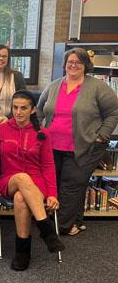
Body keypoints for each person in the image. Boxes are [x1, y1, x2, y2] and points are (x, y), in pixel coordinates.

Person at [37, 47, 118, 236]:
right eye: (70, 62)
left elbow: (113, 112)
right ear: (64, 64)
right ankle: (77, 220)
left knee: (71, 184)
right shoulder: (54, 85)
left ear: (85, 66)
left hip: (85, 145)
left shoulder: (97, 87)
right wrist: (42, 129)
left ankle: (62, 227)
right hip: (52, 146)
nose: (73, 65)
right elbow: (39, 109)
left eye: (78, 62)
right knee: (57, 183)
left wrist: (102, 135)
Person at [0, 90, 65, 271]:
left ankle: (22, 252)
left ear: (32, 110)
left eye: (23, 108)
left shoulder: (43, 134)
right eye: (15, 107)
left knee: (20, 199)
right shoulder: (1, 129)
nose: (18, 112)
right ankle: (45, 228)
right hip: (9, 180)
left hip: (37, 183)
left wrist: (53, 194)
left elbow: (47, 165)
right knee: (22, 178)